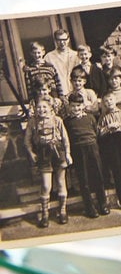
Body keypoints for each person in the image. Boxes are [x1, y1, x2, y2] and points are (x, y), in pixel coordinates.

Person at [24, 96, 72, 228]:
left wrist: (67, 153)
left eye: (44, 107)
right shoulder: (32, 122)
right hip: (43, 155)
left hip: (58, 152)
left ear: (50, 108)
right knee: (46, 186)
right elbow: (27, 140)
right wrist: (31, 153)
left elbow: (65, 138)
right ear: (35, 109)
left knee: (61, 182)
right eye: (39, 107)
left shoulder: (57, 120)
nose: (42, 109)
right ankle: (45, 214)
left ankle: (62, 211)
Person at [64, 93, 110, 218]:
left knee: (98, 176)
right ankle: (89, 207)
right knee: (84, 180)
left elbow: (96, 132)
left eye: (78, 106)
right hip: (78, 150)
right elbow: (66, 139)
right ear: (69, 106)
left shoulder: (90, 118)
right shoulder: (67, 122)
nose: (76, 109)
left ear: (83, 105)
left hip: (92, 147)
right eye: (73, 106)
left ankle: (103, 204)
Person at [44, 29, 80, 95]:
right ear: (55, 41)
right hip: (58, 92)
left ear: (68, 39)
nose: (62, 42)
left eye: (64, 39)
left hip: (75, 91)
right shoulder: (49, 57)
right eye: (59, 40)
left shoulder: (76, 55)